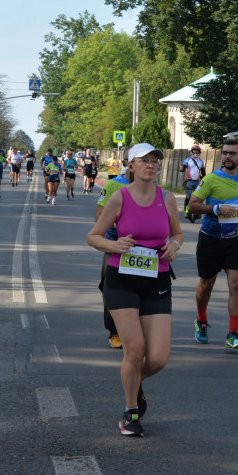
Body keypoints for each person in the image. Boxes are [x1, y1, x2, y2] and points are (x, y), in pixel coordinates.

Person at [87, 143, 183, 437]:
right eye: (145, 160)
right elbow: (94, 237)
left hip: (157, 278)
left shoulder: (167, 198)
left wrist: (174, 245)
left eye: (155, 160)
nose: (151, 165)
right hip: (122, 278)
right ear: (130, 165)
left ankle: (133, 382)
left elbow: (177, 232)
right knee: (135, 349)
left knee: (157, 358)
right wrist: (114, 245)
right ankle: (130, 412)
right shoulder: (119, 198)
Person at [188, 139, 238, 349]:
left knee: (237, 284)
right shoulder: (210, 180)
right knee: (206, 285)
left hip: (235, 240)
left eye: (232, 153)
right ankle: (201, 320)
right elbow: (192, 206)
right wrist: (216, 210)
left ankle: (233, 333)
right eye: (225, 153)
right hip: (210, 238)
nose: (228, 157)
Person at [95, 149, 134, 348]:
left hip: (144, 250)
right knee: (110, 288)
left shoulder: (154, 189)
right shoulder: (113, 185)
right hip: (115, 246)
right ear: (127, 162)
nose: (147, 165)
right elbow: (99, 216)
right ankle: (115, 331)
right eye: (141, 160)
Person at [179, 144, 206, 223]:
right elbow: (182, 169)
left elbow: (203, 173)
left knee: (199, 198)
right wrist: (181, 168)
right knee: (188, 198)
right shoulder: (187, 160)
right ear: (192, 151)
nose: (195, 152)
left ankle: (198, 213)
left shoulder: (201, 161)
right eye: (194, 150)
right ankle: (187, 212)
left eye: (197, 151)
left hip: (198, 182)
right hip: (189, 182)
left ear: (199, 152)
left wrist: (204, 180)